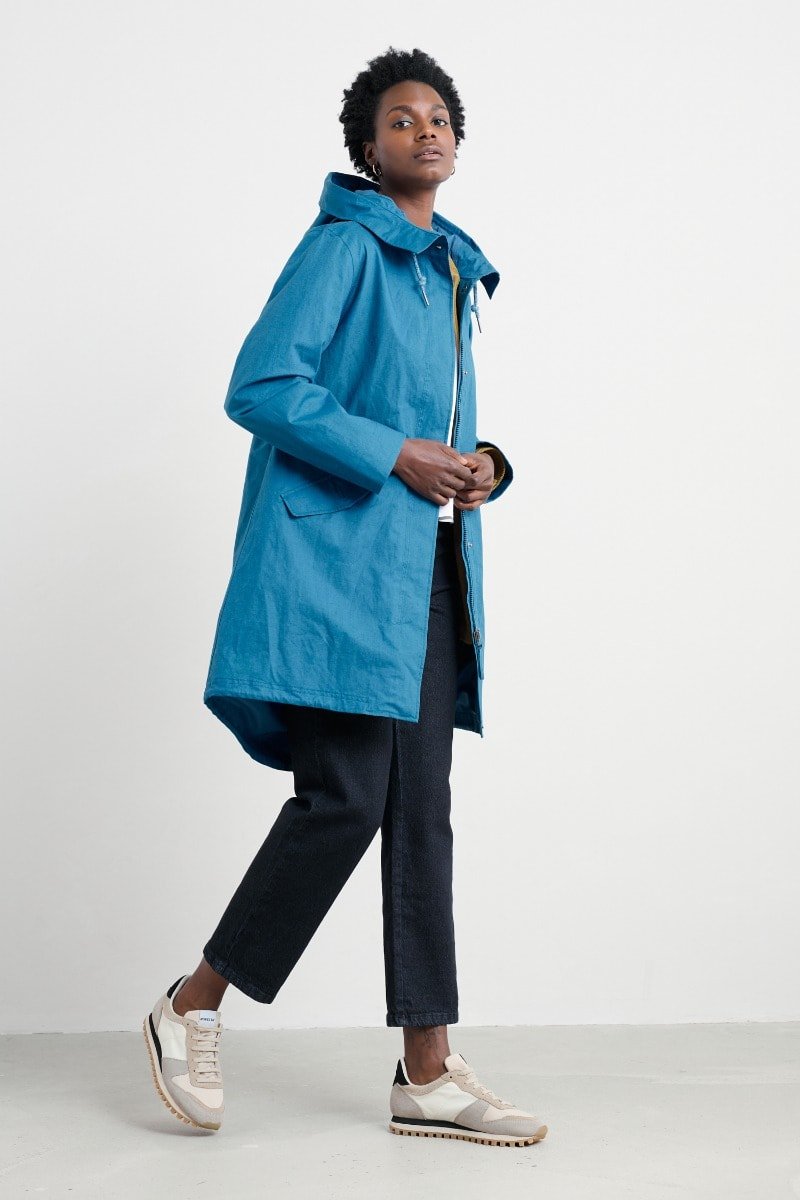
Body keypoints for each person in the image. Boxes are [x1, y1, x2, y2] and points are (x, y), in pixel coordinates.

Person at [143, 46, 547, 1148]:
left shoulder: (448, 269)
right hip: (333, 576)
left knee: (421, 814)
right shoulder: (343, 246)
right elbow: (263, 385)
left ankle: (427, 1069)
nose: (425, 129)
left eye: (439, 116)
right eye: (400, 119)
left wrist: (481, 465)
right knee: (347, 801)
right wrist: (394, 454)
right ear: (367, 147)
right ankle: (191, 1005)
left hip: (424, 573)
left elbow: (433, 426)